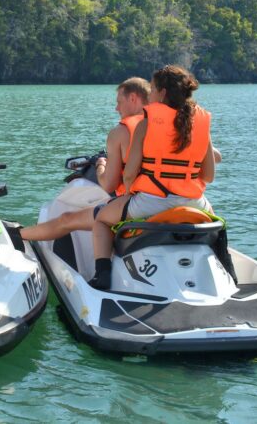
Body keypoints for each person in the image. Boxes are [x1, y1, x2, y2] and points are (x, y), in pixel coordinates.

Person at [88, 65, 217, 289]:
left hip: (151, 202)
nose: (150, 94)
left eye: (154, 89)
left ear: (163, 93)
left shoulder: (146, 124)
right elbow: (209, 176)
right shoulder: (200, 124)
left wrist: (127, 194)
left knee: (100, 220)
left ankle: (102, 275)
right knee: (216, 226)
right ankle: (226, 268)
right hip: (195, 204)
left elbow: (129, 174)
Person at [15, 77, 152, 242]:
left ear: (133, 98)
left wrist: (101, 165)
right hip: (168, 200)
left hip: (136, 204)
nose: (116, 108)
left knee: (67, 219)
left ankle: (16, 237)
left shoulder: (121, 131)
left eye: (119, 101)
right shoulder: (166, 127)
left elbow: (109, 184)